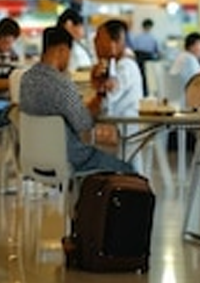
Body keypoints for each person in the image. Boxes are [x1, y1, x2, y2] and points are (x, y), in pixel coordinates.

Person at [19, 27, 133, 175]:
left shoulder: (26, 79)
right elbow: (84, 124)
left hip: (32, 160)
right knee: (129, 171)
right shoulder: (62, 84)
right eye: (69, 53)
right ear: (62, 50)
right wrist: (100, 94)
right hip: (69, 159)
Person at [169, 33, 200, 100]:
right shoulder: (190, 59)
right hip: (188, 101)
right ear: (192, 46)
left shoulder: (181, 56)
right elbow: (198, 83)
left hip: (176, 100)